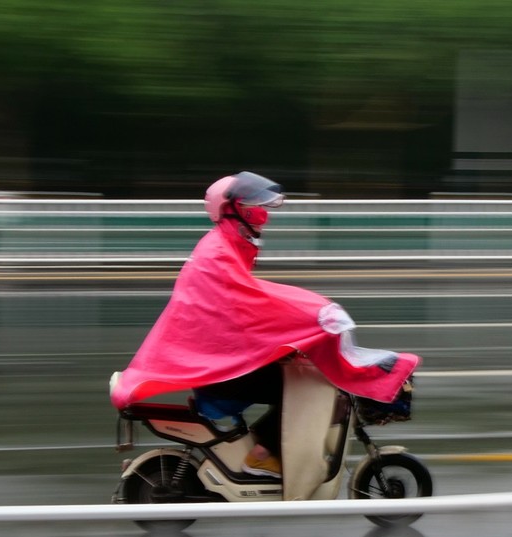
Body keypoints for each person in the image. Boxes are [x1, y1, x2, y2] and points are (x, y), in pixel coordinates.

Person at [109, 171, 420, 478]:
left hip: (221, 363)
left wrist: (294, 333)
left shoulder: (222, 247)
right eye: (253, 207)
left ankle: (263, 447)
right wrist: (316, 313)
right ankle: (262, 456)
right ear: (232, 210)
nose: (262, 215)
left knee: (301, 377)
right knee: (309, 386)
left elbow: (245, 310)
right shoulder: (218, 254)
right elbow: (254, 302)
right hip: (221, 372)